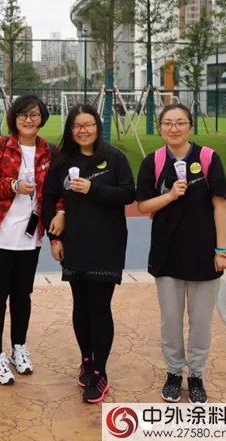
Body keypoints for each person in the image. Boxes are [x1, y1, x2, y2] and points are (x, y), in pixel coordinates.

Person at [136, 104, 226, 406]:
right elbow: (143, 206)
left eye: (180, 123)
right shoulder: (153, 161)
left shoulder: (208, 158)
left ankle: (197, 375)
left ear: (190, 126)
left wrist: (222, 250)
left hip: (204, 255)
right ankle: (174, 373)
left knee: (201, 322)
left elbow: (219, 206)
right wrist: (170, 195)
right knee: (170, 322)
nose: (173, 128)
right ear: (160, 127)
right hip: (167, 255)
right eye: (167, 123)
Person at [42, 104, 135, 403]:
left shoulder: (114, 157)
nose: (83, 130)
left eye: (89, 124)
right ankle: (86, 359)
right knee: (80, 305)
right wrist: (54, 238)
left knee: (99, 306)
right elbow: (49, 199)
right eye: (77, 126)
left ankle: (99, 371)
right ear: (70, 130)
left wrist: (92, 189)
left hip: (107, 243)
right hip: (74, 244)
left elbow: (128, 194)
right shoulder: (61, 162)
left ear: (97, 126)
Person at [0, 92, 65, 385]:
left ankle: (18, 347)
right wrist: (14, 185)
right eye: (23, 115)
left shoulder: (49, 151)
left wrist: (60, 213)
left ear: (42, 119)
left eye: (34, 115)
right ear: (14, 118)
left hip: (31, 237)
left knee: (22, 295)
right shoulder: (1, 146)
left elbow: (57, 190)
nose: (28, 120)